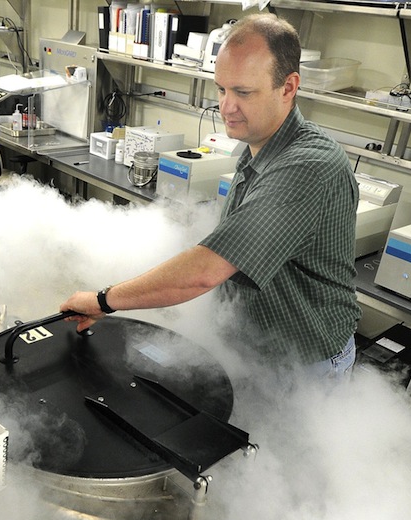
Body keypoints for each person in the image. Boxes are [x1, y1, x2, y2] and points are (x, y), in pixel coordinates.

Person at [61, 13, 361, 377]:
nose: (226, 107)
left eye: (244, 92)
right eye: (222, 89)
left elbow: (206, 271)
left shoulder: (308, 166)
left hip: (303, 363)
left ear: (288, 87)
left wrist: (102, 300)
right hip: (252, 347)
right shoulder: (255, 143)